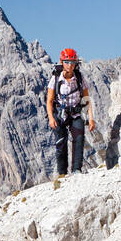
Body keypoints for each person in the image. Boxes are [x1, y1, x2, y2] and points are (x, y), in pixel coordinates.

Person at [46, 48, 95, 176]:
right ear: (62, 62)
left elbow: (86, 99)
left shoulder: (79, 78)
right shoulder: (55, 79)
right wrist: (51, 118)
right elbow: (50, 101)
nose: (70, 65)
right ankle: (62, 173)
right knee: (61, 143)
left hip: (76, 113)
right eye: (67, 62)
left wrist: (91, 118)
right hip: (59, 113)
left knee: (79, 138)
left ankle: (76, 170)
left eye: (73, 62)